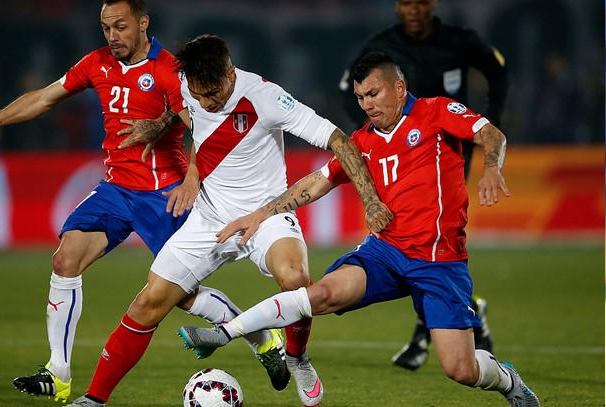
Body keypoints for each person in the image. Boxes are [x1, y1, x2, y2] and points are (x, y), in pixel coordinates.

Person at [0, 0, 290, 402]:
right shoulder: (96, 64)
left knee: (182, 295)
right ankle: (57, 372)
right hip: (116, 190)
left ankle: (263, 338)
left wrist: (192, 177)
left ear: (143, 23)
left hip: (163, 194)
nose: (112, 36)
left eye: (120, 26)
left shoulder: (170, 71)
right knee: (65, 259)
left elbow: (206, 127)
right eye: (106, 27)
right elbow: (44, 98)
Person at [180, 52, 540, 407]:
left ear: (399, 88)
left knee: (461, 369)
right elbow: (317, 182)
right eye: (360, 97)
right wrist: (260, 214)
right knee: (321, 294)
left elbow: (491, 135)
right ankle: (225, 333)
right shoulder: (363, 142)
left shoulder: (436, 112)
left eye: (374, 93)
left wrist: (491, 168)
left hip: (439, 261)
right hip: (386, 253)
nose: (367, 104)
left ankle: (508, 381)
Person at [66, 35, 391, 407]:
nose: (206, 103)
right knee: (148, 303)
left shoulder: (266, 97)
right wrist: (161, 128)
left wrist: (370, 201)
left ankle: (297, 357)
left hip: (266, 215)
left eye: (213, 94)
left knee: (295, 278)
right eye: (199, 94)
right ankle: (94, 399)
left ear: (230, 72)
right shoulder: (188, 85)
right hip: (209, 218)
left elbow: (340, 141)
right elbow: (185, 113)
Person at [338, 0, 509, 371]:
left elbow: (497, 69)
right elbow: (346, 87)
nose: (412, 10)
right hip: (395, 153)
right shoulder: (381, 44)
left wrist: (491, 117)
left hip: (445, 146)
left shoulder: (459, 40)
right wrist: (374, 135)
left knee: (429, 239)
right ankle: (440, 323)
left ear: (432, 4)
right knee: (406, 238)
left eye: (419, 2)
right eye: (405, 3)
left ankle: (437, 324)